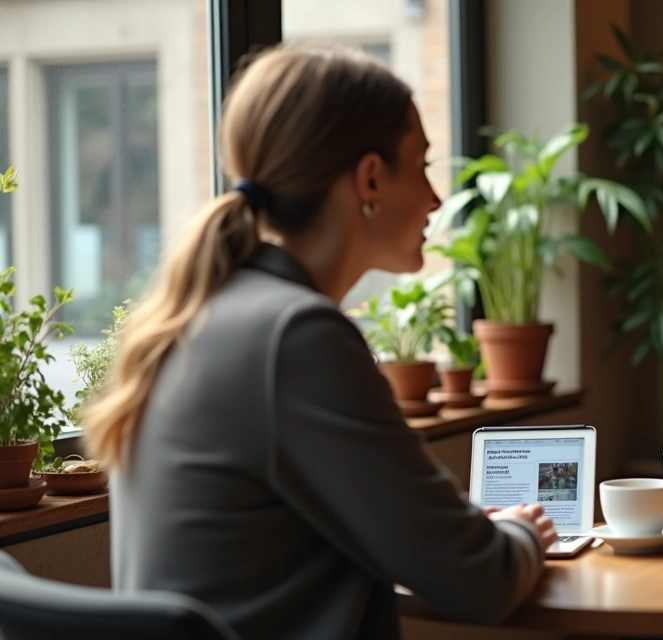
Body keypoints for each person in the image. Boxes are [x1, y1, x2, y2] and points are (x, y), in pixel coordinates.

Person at [84, 44, 556, 640]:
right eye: (423, 165)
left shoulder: (202, 312)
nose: (437, 199)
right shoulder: (297, 337)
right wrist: (521, 533)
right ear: (371, 178)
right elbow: (478, 578)